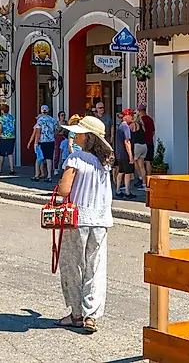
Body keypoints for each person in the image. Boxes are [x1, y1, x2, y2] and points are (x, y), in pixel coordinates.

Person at [55, 115, 114, 335]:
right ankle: (92, 314)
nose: (74, 134)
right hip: (100, 219)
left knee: (73, 265)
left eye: (78, 132)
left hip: (77, 218)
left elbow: (64, 190)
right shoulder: (105, 160)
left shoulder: (76, 158)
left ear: (86, 136)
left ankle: (76, 314)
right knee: (95, 266)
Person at [29, 104, 59, 181]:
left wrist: (35, 143)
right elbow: (56, 131)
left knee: (39, 158)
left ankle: (36, 175)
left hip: (42, 142)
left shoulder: (40, 120)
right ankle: (49, 176)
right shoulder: (53, 120)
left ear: (41, 111)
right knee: (49, 158)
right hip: (51, 141)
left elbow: (38, 132)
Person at [114, 110, 135, 197]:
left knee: (121, 171)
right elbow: (127, 141)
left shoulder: (120, 127)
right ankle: (127, 191)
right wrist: (131, 156)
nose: (132, 117)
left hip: (119, 153)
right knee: (127, 172)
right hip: (125, 153)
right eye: (131, 115)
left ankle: (118, 190)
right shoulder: (126, 127)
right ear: (126, 116)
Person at [127, 108, 147, 191]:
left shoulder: (133, 125)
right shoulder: (142, 125)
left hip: (137, 146)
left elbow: (128, 135)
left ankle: (140, 178)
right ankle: (144, 183)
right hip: (144, 146)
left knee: (136, 164)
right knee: (142, 166)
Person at [0, 104, 16, 175]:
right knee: (10, 153)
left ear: (2, 110)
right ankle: (11, 168)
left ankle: (0, 168)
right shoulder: (12, 117)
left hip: (3, 138)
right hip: (11, 137)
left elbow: (0, 128)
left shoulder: (1, 118)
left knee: (2, 154)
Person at [137, 105, 155, 182]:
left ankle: (141, 178)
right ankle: (149, 179)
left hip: (142, 143)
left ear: (139, 111)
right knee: (148, 162)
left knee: (139, 163)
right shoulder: (150, 119)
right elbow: (153, 132)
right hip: (150, 142)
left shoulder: (140, 120)